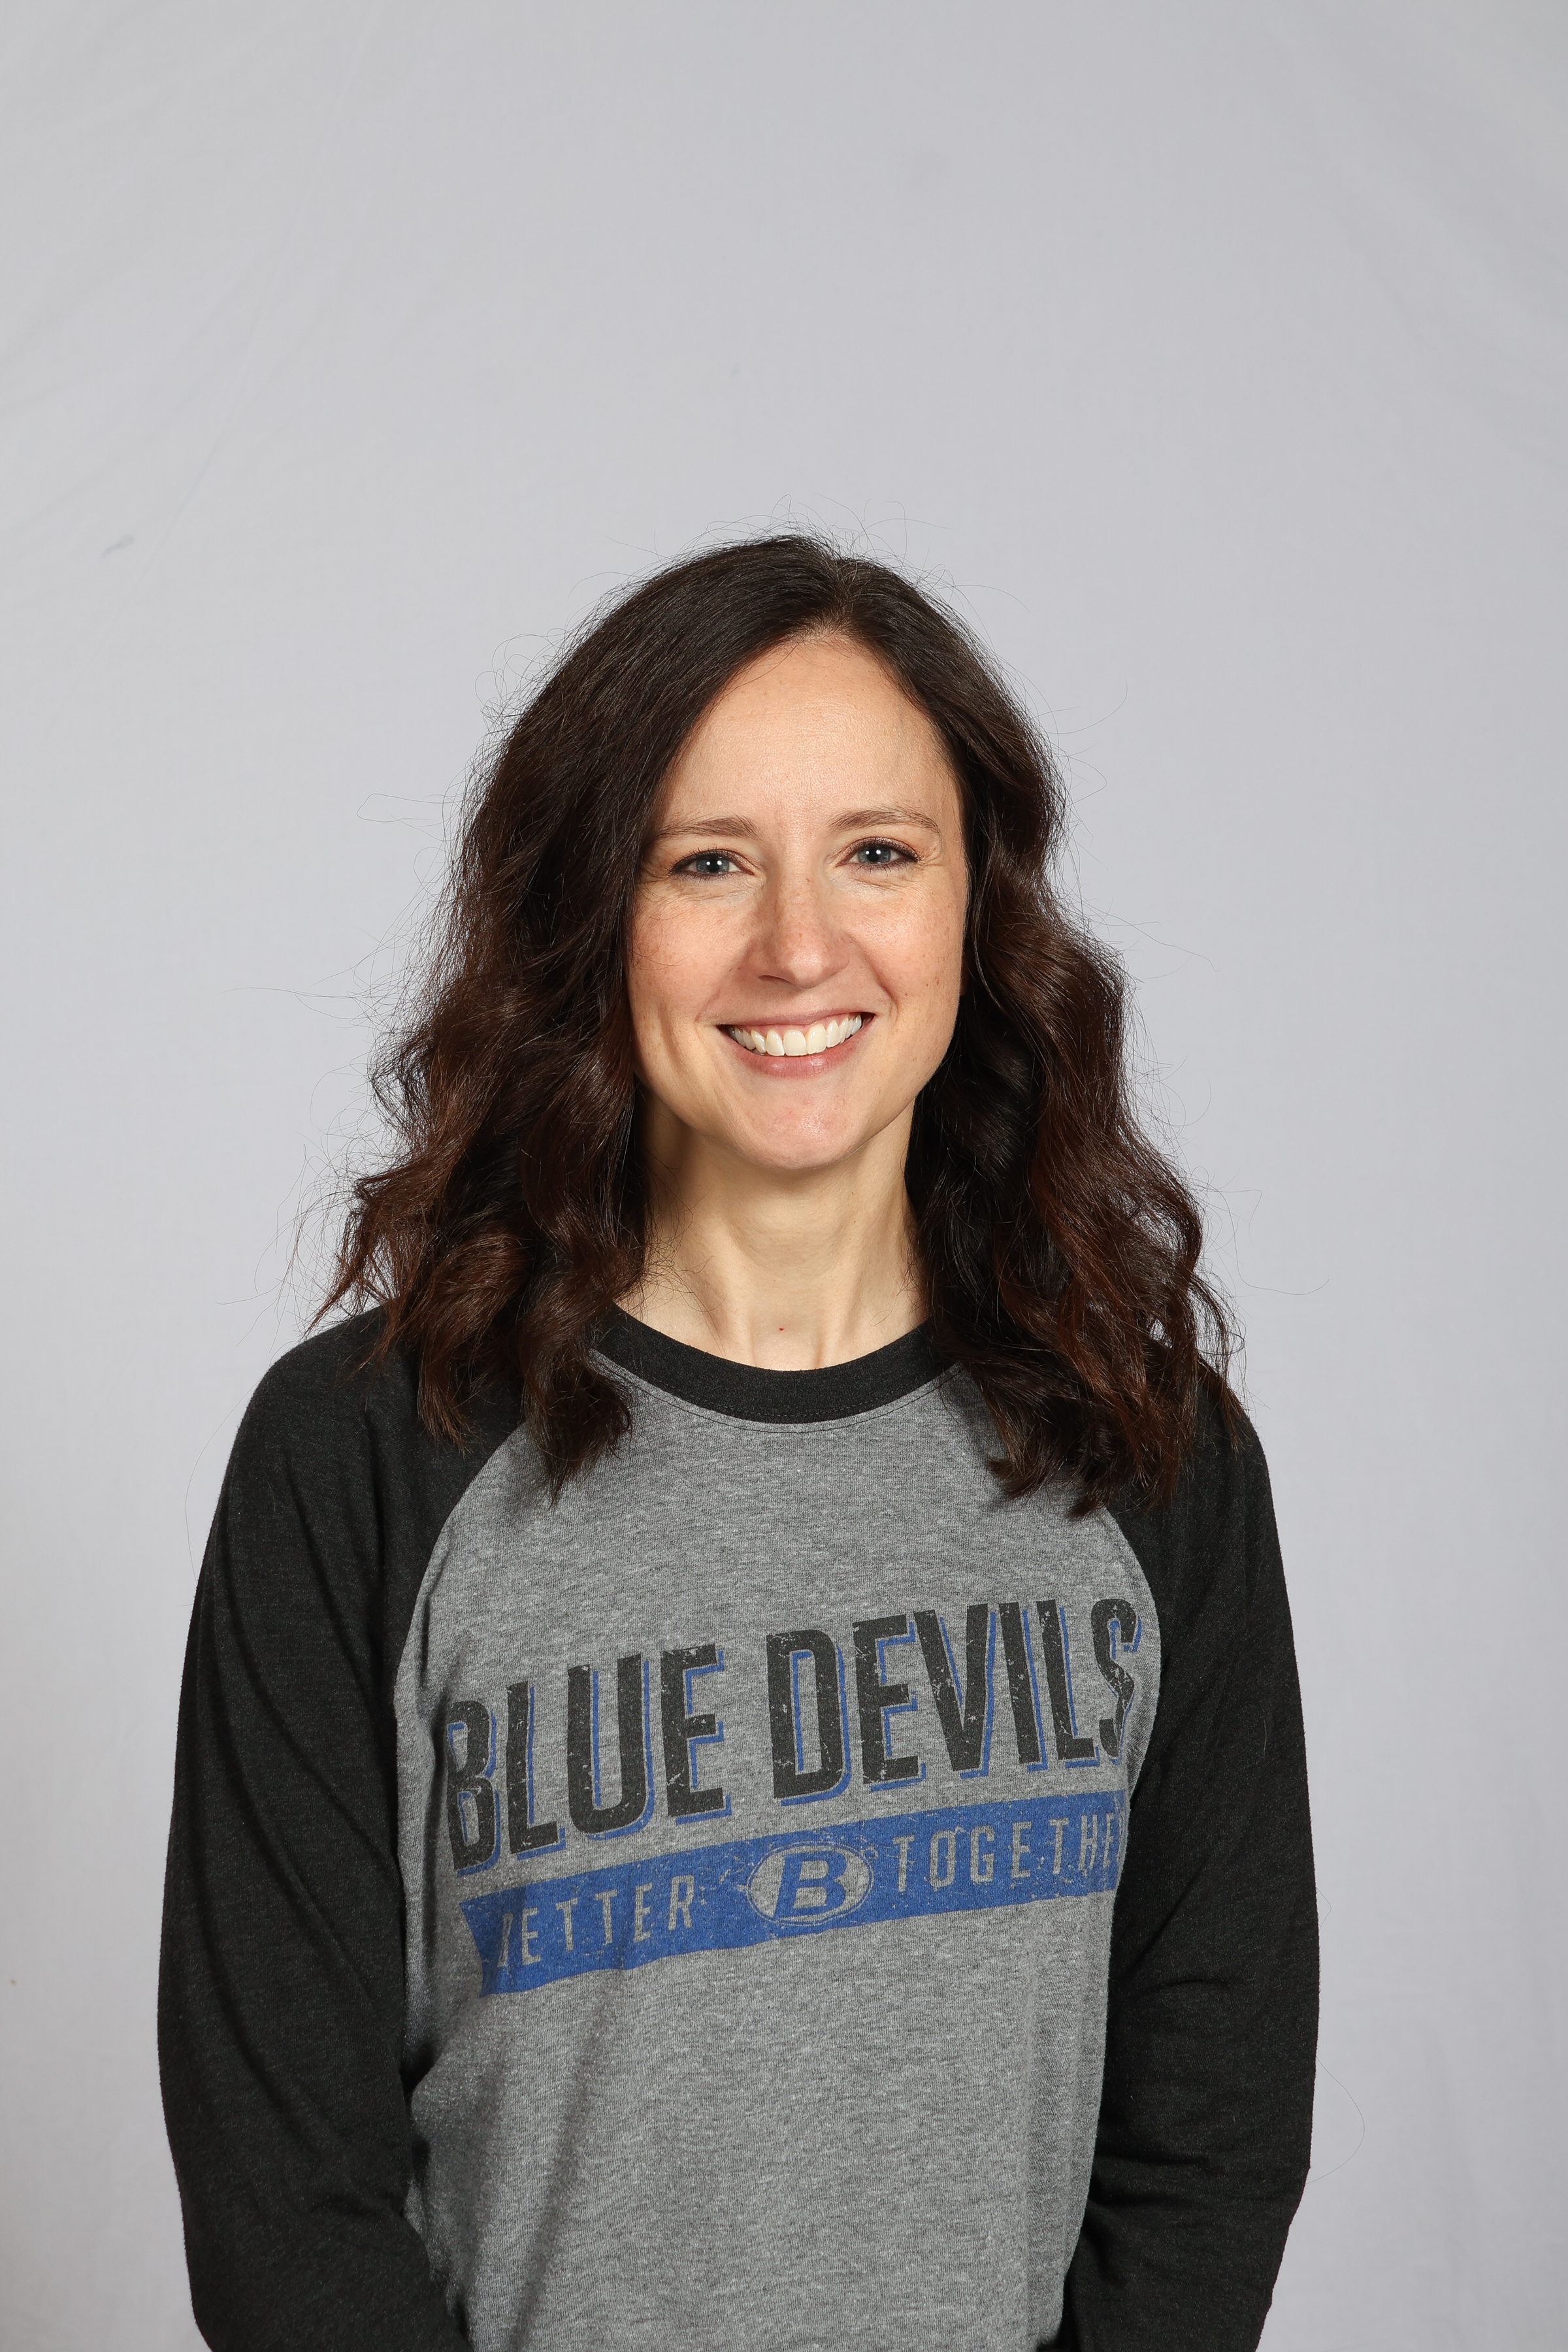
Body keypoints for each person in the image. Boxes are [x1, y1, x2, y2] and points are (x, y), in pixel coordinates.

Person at [159, 536, 1317, 2352]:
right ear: (591, 916)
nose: (799, 947)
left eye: (879, 853)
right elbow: (282, 2200)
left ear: (979, 906)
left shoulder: (1144, 1446)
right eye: (707, 861)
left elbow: (1213, 2135)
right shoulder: (368, 1452)